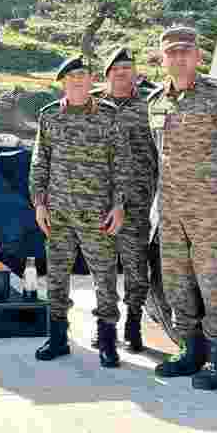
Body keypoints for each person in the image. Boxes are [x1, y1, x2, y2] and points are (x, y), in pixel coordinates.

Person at [147, 25, 217, 390]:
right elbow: (158, 153)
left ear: (198, 56)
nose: (178, 58)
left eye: (184, 52)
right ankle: (189, 350)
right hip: (171, 210)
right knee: (177, 283)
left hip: (209, 209)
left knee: (212, 284)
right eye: (171, 53)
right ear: (162, 59)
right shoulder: (157, 102)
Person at [29, 54, 129, 367]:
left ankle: (107, 341)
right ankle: (58, 338)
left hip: (97, 213)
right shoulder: (49, 116)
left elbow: (122, 163)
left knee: (105, 278)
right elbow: (40, 161)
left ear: (91, 81)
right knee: (56, 277)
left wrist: (119, 204)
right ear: (63, 82)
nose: (77, 81)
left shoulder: (108, 116)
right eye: (71, 77)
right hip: (58, 213)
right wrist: (39, 203)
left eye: (83, 76)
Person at [88, 47, 158, 353]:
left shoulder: (151, 104)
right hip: (100, 199)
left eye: (127, 71)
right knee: (102, 266)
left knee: (135, 265)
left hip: (138, 199)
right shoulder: (89, 104)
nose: (122, 75)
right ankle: (105, 325)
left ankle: (133, 322)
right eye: (116, 71)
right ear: (107, 76)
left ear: (135, 75)